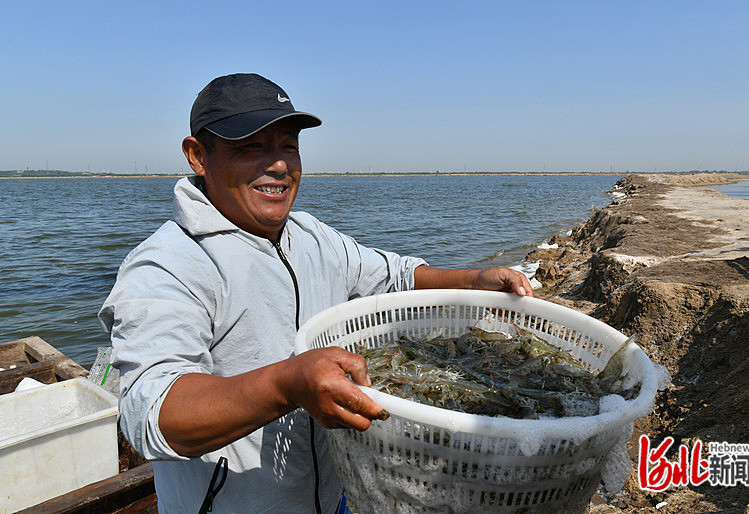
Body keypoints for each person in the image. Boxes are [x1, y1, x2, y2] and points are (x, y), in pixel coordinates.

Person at [99, 73, 535, 513]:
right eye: (250, 146)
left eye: (288, 145)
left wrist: (473, 280)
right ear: (197, 156)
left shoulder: (311, 237)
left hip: (332, 499)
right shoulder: (167, 265)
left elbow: (395, 275)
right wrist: (286, 383)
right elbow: (151, 414)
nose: (278, 165)